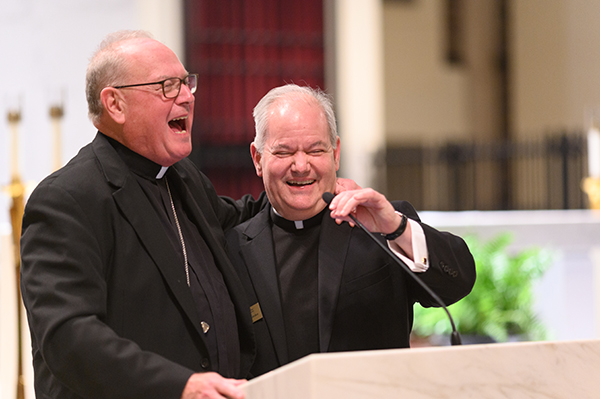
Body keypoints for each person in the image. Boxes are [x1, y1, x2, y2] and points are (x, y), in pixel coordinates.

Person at [19, 30, 270, 399]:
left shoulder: (183, 178)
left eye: (186, 83)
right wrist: (180, 385)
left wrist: (317, 190)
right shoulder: (67, 199)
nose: (186, 96)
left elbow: (241, 220)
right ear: (115, 104)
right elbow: (68, 336)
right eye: (167, 86)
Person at [225, 84, 477, 377]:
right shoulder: (233, 249)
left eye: (315, 149)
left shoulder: (381, 226)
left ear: (336, 153)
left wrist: (396, 228)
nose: (301, 165)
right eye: (284, 152)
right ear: (257, 159)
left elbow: (458, 282)